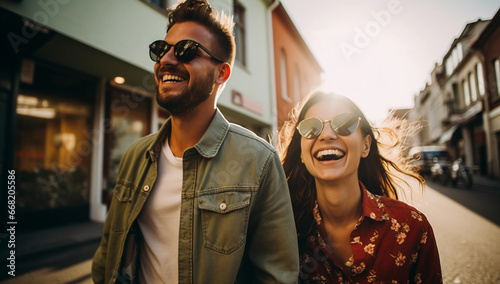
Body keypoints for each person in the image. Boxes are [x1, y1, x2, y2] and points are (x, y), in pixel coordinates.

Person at [91, 0, 299, 283]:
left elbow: (276, 275)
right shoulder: (135, 156)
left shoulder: (259, 161)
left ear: (220, 73)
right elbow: (107, 259)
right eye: (161, 50)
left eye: (187, 51)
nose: (166, 60)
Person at [278, 91, 442, 283]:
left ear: (365, 146)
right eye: (311, 127)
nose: (327, 135)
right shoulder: (282, 230)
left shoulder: (413, 228)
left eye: (344, 124)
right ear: (301, 154)